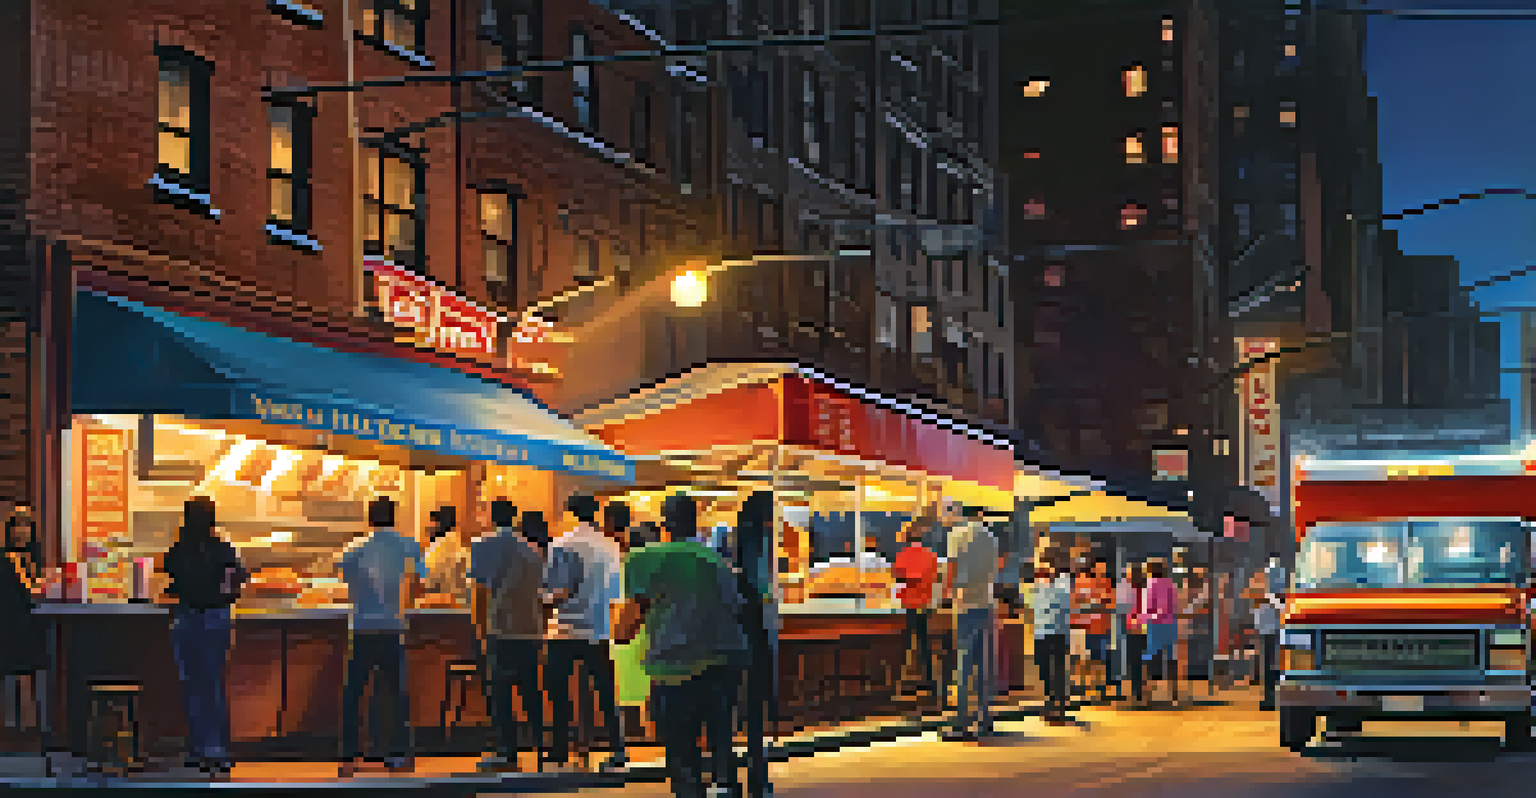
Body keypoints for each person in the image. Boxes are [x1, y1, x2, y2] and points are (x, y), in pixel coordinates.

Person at [611, 493, 747, 798]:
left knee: (681, 750)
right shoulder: (719, 562)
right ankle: (725, 785)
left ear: (664, 524)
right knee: (721, 739)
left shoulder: (645, 559)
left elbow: (625, 629)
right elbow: (735, 608)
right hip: (726, 662)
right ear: (695, 522)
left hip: (675, 666)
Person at [337, 496, 425, 776]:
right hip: (392, 626)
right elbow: (421, 581)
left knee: (354, 693)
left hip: (362, 626)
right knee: (396, 692)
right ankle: (398, 753)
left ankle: (349, 755)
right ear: (394, 517)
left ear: (369, 518)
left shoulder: (353, 549)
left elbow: (345, 584)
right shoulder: (408, 546)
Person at [161, 496, 246, 775]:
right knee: (213, 683)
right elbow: (238, 578)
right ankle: (217, 750)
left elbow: (170, 575)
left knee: (192, 685)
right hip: (216, 617)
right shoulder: (222, 548)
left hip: (186, 618)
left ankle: (198, 749)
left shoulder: (179, 549)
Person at [543, 493, 628, 772]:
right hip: (599, 629)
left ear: (570, 513)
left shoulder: (561, 544)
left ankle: (558, 750)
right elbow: (616, 593)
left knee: (559, 693)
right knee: (605, 693)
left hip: (565, 629)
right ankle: (617, 748)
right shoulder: (610, 547)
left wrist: (541, 599)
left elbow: (557, 591)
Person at [470, 500, 546, 772]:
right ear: (514, 518)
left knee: (500, 693)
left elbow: (480, 591)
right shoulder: (533, 550)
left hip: (500, 627)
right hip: (530, 629)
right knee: (531, 691)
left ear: (491, 516)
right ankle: (541, 746)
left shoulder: (481, 545)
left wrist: (479, 630)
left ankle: (506, 751)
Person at [732, 491, 777, 798]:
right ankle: (757, 775)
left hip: (740, 630)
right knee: (756, 706)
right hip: (758, 629)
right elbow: (763, 587)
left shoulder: (740, 541)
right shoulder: (760, 542)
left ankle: (738, 774)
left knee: (739, 705)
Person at [943, 503, 998, 741]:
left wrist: (947, 595)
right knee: (983, 663)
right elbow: (995, 571)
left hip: (964, 603)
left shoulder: (957, 535)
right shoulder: (992, 538)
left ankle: (962, 722)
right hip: (986, 602)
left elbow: (952, 567)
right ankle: (984, 718)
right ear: (980, 514)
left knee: (964, 663)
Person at [891, 517, 940, 696]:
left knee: (904, 644)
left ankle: (902, 681)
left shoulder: (903, 555)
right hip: (925, 604)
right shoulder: (931, 555)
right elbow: (934, 578)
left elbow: (898, 576)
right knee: (924, 643)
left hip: (907, 605)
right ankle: (928, 679)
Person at [1032, 552, 1072, 724]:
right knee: (1045, 671)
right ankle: (1050, 705)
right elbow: (1034, 604)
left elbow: (1062, 605)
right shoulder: (1039, 583)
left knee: (1058, 671)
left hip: (1057, 632)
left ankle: (1060, 708)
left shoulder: (1063, 582)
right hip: (1041, 631)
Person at [1251, 553, 1287, 710]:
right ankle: (1272, 697)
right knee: (1276, 661)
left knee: (1269, 661)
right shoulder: (1279, 574)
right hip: (1275, 623)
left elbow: (1259, 598)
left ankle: (1269, 697)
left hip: (1269, 624)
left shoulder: (1262, 577)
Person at [1140, 559, 1179, 705]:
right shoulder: (1171, 584)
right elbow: (1174, 605)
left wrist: (1144, 618)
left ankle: (1146, 695)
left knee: (1149, 659)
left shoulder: (1149, 585)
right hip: (1170, 626)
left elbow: (1146, 609)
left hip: (1155, 626)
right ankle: (1174, 695)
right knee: (1170, 659)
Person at [1075, 557, 1114, 701]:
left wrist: (1101, 601)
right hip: (1089, 625)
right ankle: (1090, 685)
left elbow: (1111, 601)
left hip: (1104, 625)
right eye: (1098, 568)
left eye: (1103, 569)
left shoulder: (1108, 583)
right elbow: (1081, 601)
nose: (1100, 571)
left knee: (1103, 656)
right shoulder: (1087, 583)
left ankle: (1102, 685)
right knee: (1090, 656)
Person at [424, 505, 470, 606]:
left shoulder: (438, 546)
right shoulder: (461, 543)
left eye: (433, 522)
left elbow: (429, 580)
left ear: (440, 523)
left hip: (443, 602)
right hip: (464, 602)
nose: (430, 526)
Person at [1123, 562, 1148, 705]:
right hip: (1145, 628)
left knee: (1134, 662)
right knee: (1141, 662)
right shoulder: (1146, 589)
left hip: (1133, 629)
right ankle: (1141, 691)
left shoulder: (1129, 590)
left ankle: (1137, 691)